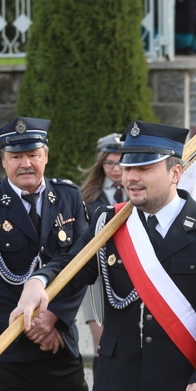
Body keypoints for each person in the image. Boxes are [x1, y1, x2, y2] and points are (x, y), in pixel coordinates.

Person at [10, 120, 196, 391]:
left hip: (188, 389)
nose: (132, 178)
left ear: (175, 173)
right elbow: (71, 265)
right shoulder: (107, 224)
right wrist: (37, 282)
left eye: (146, 168)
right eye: (128, 167)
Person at [0, 116, 90, 391]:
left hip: (57, 344)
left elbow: (83, 262)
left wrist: (54, 319)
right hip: (2, 347)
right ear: (3, 160)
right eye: (16, 156)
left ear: (45, 155)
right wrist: (32, 325)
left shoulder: (68, 197)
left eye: (33, 154)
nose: (26, 163)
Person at [78, 133, 125, 360]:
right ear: (101, 163)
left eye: (120, 162)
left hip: (131, 273)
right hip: (96, 276)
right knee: (102, 345)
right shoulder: (86, 196)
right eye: (109, 162)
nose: (115, 169)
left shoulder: (139, 191)